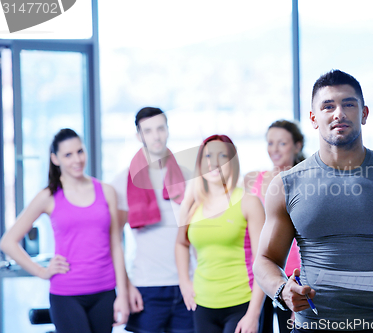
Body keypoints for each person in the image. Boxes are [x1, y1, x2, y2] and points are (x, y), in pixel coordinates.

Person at [252, 70, 373, 332]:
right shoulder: (287, 185)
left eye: (349, 104)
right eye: (328, 106)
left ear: (364, 113)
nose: (339, 113)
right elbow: (265, 259)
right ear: (314, 119)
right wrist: (282, 290)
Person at [0, 128, 129, 333]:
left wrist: (123, 293)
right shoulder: (48, 196)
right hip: (66, 295)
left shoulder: (107, 192)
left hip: (105, 292)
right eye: (68, 155)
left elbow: (116, 244)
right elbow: (8, 242)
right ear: (55, 159)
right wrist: (42, 272)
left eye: (80, 151)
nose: (76, 159)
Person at [110, 107, 195, 333]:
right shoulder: (122, 181)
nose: (156, 136)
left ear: (167, 130)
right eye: (148, 131)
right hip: (147, 286)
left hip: (188, 283)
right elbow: (115, 241)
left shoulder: (188, 176)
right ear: (139, 136)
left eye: (160, 128)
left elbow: (197, 234)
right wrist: (126, 287)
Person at [176, 134, 265, 333]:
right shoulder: (193, 205)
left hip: (241, 302)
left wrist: (253, 314)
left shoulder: (249, 202)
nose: (214, 162)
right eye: (208, 156)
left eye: (222, 156)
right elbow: (181, 243)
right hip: (203, 304)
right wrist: (184, 281)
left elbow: (262, 262)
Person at [244, 120, 304, 333]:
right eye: (270, 143)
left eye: (282, 143)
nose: (274, 149)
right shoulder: (253, 180)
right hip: (262, 273)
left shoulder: (306, 180)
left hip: (295, 274)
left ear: (297, 146)